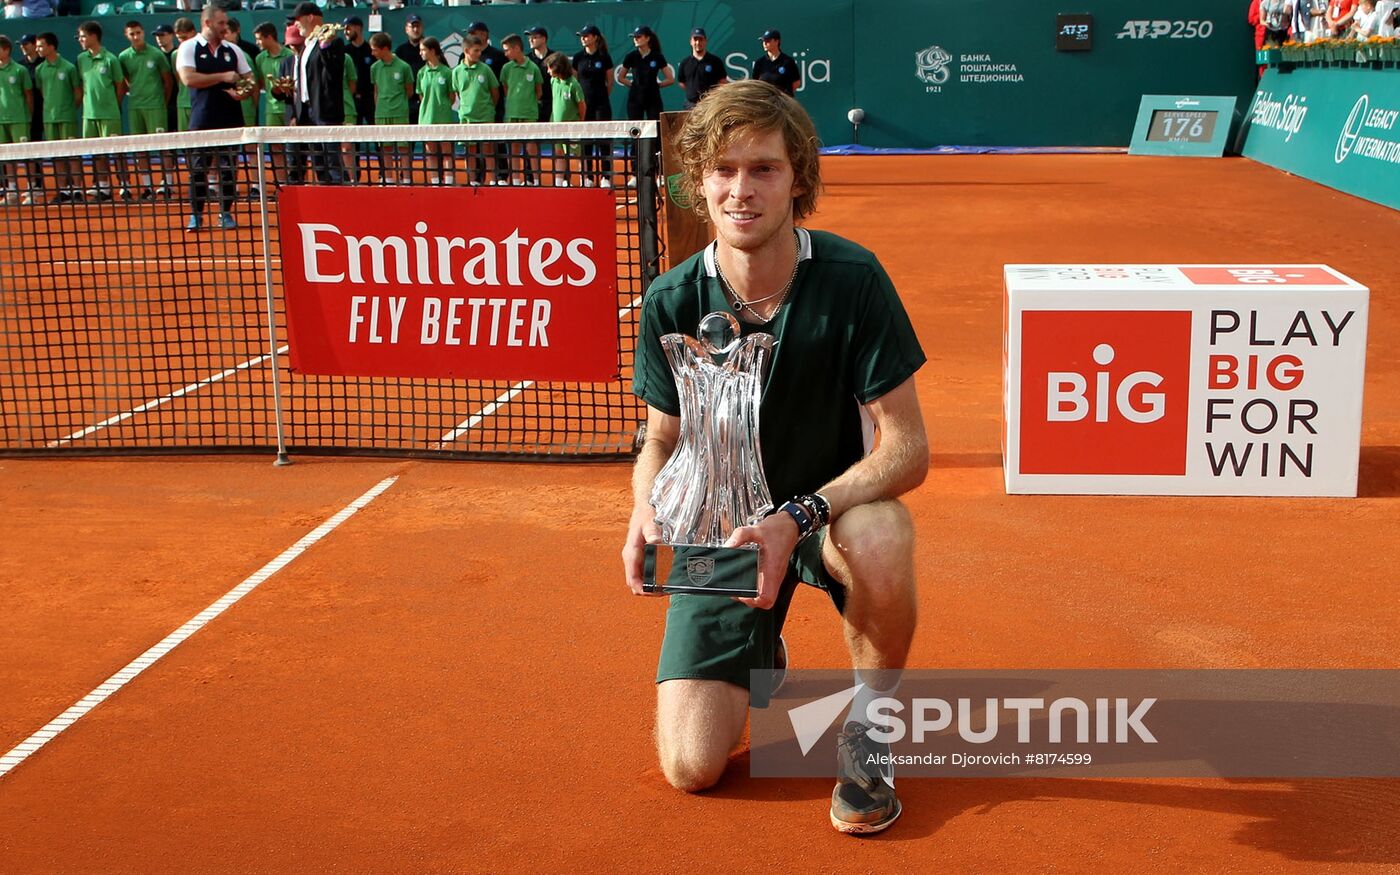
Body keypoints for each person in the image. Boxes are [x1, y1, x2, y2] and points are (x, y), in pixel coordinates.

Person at [622, 80, 926, 836]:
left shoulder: (853, 281)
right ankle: (765, 645)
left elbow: (909, 448)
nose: (741, 190)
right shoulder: (670, 298)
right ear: (700, 181)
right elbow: (661, 434)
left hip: (825, 518)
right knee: (692, 767)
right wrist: (643, 506)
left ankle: (869, 728)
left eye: (763, 169)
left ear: (799, 179)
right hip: (721, 538)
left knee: (884, 535)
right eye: (724, 170)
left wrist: (799, 515)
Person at [177, 3, 253, 231]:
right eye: (220, 23)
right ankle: (196, 216)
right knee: (198, 170)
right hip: (202, 121)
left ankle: (225, 213)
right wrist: (224, 77)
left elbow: (249, 79)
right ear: (207, 23)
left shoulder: (233, 50)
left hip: (231, 121)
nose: (225, 26)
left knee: (229, 170)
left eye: (226, 23)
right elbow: (189, 79)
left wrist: (243, 92)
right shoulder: (189, 47)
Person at [289, 0, 346, 184]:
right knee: (319, 164)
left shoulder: (333, 42)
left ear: (310, 17)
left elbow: (334, 73)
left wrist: (325, 46)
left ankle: (341, 202)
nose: (295, 24)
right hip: (307, 112)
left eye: (298, 19)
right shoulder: (305, 46)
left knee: (332, 163)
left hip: (325, 112)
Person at [119, 20, 173, 199]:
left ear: (143, 33)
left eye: (138, 33)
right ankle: (148, 186)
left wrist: (161, 102)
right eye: (132, 34)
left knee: (163, 147)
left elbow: (168, 81)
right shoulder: (123, 57)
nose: (136, 36)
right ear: (127, 36)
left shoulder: (156, 55)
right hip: (135, 108)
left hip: (156, 107)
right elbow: (126, 80)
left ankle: (167, 184)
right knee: (140, 150)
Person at [76, 20, 126, 201]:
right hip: (89, 115)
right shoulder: (81, 59)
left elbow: (120, 86)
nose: (80, 40)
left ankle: (125, 185)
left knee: (117, 151)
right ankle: (103, 187)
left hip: (110, 114)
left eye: (83, 36)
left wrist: (114, 105)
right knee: (97, 153)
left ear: (93, 36)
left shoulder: (111, 59)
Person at [33, 32, 80, 202]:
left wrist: (68, 109)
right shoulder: (39, 70)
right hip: (49, 119)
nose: (38, 49)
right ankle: (64, 190)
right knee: (57, 155)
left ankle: (77, 189)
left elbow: (77, 92)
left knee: (72, 154)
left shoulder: (69, 68)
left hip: (67, 117)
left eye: (41, 45)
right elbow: (42, 91)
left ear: (51, 47)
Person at [453, 33, 498, 186]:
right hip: (466, 117)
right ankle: (473, 181)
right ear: (466, 51)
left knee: (488, 150)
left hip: (486, 115)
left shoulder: (485, 69)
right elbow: (458, 92)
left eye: (480, 50)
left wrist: (487, 107)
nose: (479, 54)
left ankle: (492, 180)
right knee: (470, 151)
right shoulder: (457, 72)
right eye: (476, 50)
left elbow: (495, 93)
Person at [466, 20, 508, 184]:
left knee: (495, 143)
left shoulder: (497, 55)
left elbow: (500, 86)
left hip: (493, 108)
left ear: (484, 35)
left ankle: (500, 176)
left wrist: (491, 104)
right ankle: (477, 177)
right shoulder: (465, 57)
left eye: (474, 33)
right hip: (472, 112)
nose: (471, 36)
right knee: (473, 146)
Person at [572, 24, 612, 188]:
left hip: (601, 104)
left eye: (587, 35)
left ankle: (606, 176)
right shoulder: (578, 58)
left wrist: (601, 97)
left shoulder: (604, 57)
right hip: (584, 105)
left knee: (604, 141)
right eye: (582, 36)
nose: (583, 38)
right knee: (585, 142)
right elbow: (574, 81)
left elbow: (609, 82)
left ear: (595, 37)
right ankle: (587, 176)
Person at [369, 31, 412, 184]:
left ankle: (406, 179)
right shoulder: (374, 68)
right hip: (381, 113)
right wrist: (379, 108)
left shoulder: (404, 67)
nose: (372, 53)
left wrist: (398, 103)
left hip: (400, 112)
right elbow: (376, 91)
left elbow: (409, 90)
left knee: (403, 148)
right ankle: (388, 179)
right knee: (385, 148)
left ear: (385, 48)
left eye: (374, 49)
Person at [253, 21, 292, 186]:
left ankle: (295, 182)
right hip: (271, 110)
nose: (257, 43)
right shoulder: (260, 58)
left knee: (292, 149)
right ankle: (282, 183)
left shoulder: (290, 55)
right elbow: (260, 83)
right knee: (275, 148)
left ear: (269, 37)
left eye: (260, 39)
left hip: (290, 109)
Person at [499, 33, 541, 185]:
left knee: (531, 148)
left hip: (529, 113)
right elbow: (505, 89)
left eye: (507, 50)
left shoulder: (533, 68)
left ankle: (536, 180)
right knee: (514, 149)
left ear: (517, 48)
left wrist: (527, 104)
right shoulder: (506, 68)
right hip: (511, 114)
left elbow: (538, 91)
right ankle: (515, 181)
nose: (505, 53)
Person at [0, 35, 34, 204]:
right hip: (1, 121)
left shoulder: (20, 70)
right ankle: (12, 191)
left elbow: (29, 96)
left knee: (25, 155)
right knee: (6, 157)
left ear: (6, 50)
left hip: (19, 119)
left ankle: (31, 190)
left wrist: (28, 116)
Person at [415, 36, 453, 186]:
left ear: (432, 51)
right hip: (426, 119)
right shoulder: (421, 73)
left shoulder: (446, 72)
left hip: (443, 118)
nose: (421, 53)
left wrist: (441, 107)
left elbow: (451, 97)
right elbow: (421, 94)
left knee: (446, 152)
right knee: (431, 153)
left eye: (423, 50)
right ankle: (435, 182)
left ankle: (449, 182)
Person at [618, 24, 673, 122]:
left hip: (653, 97)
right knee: (635, 129)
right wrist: (632, 85)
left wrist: (657, 85)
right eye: (634, 37)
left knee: (655, 127)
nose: (635, 39)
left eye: (638, 37)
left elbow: (670, 79)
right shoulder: (631, 56)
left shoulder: (657, 56)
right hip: (635, 98)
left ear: (647, 38)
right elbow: (620, 77)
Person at [546, 51, 583, 186]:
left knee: (578, 154)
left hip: (572, 127)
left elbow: (581, 105)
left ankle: (584, 180)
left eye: (550, 67)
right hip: (556, 126)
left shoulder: (573, 84)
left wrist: (580, 122)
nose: (548, 71)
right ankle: (559, 181)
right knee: (559, 153)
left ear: (558, 67)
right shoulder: (553, 81)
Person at [676, 27, 726, 109]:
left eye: (701, 39)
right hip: (690, 105)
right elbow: (682, 83)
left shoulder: (715, 61)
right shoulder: (685, 62)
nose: (698, 42)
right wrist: (692, 92)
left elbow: (722, 82)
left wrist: (712, 97)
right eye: (695, 39)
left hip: (710, 105)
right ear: (691, 42)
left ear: (705, 41)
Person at [393, 12, 423, 124]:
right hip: (406, 101)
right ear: (406, 29)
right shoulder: (401, 50)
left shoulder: (429, 48)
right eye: (412, 26)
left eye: (418, 26)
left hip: (425, 99)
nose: (415, 29)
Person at [342, 14, 372, 124]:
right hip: (352, 99)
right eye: (344, 29)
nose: (345, 32)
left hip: (370, 98)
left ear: (358, 28)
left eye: (348, 28)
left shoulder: (370, 50)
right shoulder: (344, 51)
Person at [753, 29, 800, 96]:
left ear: (776, 41)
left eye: (768, 41)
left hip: (783, 103)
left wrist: (783, 96)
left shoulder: (788, 62)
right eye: (763, 41)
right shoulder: (759, 62)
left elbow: (796, 83)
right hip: (765, 102)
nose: (765, 43)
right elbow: (755, 83)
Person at [173, 17, 197, 131]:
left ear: (193, 32)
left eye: (184, 37)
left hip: (198, 102)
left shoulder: (202, 51)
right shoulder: (175, 54)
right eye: (179, 38)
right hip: (183, 103)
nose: (182, 41)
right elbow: (178, 77)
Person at [525, 24, 552, 124]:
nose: (531, 40)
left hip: (552, 103)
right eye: (529, 38)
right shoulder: (527, 59)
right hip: (532, 105)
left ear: (544, 39)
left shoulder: (554, 57)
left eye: (534, 37)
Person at [152, 24, 177, 132]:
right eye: (157, 36)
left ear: (172, 36)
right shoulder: (155, 56)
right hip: (161, 103)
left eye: (162, 35)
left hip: (178, 101)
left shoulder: (179, 53)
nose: (159, 38)